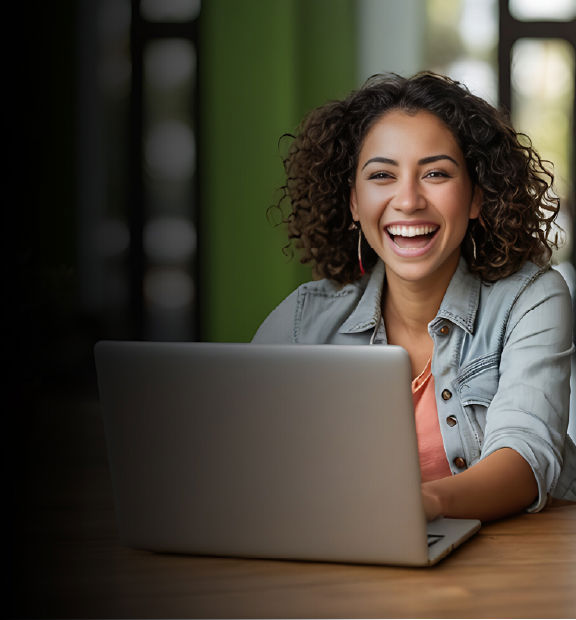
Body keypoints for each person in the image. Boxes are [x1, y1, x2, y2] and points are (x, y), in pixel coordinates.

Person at [252, 72, 576, 522]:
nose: (407, 200)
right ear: (353, 203)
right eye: (382, 175)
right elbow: (236, 451)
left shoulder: (531, 299)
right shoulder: (306, 319)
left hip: (515, 567)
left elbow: (527, 456)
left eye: (436, 174)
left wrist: (421, 505)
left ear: (476, 197)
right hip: (356, 562)